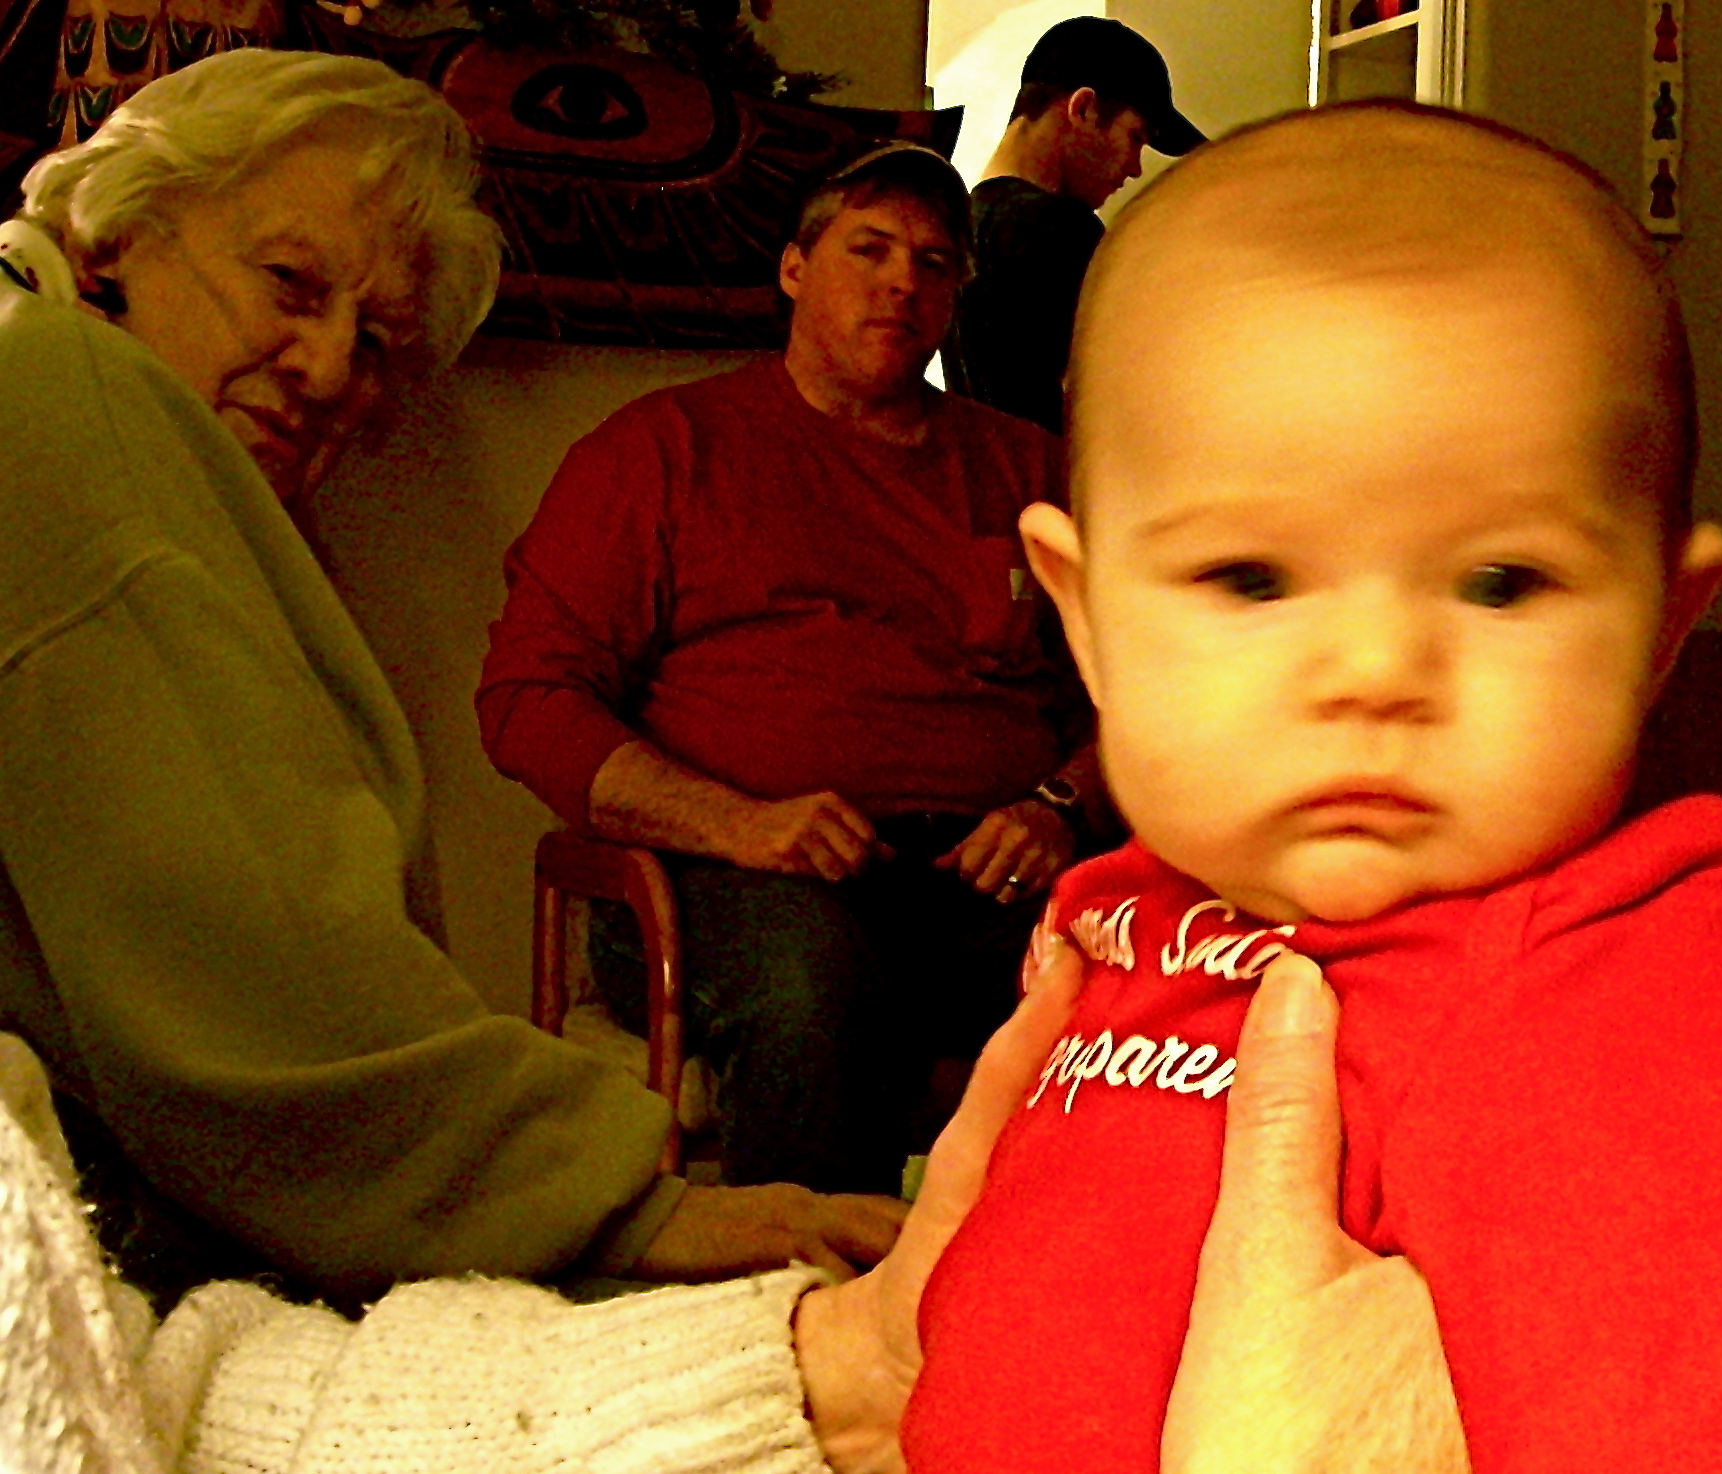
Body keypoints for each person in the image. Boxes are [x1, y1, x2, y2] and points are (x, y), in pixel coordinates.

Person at [904, 103, 1722, 1473]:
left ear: (1660, 628)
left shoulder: (1616, 967)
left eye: (1498, 580)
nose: (1372, 670)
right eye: (1249, 577)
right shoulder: (1135, 906)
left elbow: (1666, 1431)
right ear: (1085, 615)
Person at [0, 49, 902, 1312]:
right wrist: (637, 1205)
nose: (325, 372)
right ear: (121, 226)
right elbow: (258, 967)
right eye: (287, 284)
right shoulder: (64, 389)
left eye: (373, 342)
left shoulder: (988, 460)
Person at [0, 926, 1469, 1474]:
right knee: (815, 980)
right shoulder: (672, 459)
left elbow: (138, 1398)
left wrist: (839, 1362)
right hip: (752, 856)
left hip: (961, 845)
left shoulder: (972, 465)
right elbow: (547, 699)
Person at [477, 143, 1108, 1198]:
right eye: (868, 249)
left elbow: (1147, 690)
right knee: (812, 975)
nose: (903, 280)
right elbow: (525, 704)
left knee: (1153, 958)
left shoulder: (1027, 469)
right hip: (724, 880)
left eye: (935, 262)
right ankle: (803, 1308)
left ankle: (1059, 1318)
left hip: (975, 871)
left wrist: (1058, 804)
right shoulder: (663, 451)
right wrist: (735, 823)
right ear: (792, 270)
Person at [940, 16, 1204, 434]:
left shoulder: (961, 224)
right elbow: (1116, 410)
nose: (1135, 168)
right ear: (1083, 109)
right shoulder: (1056, 228)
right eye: (1135, 137)